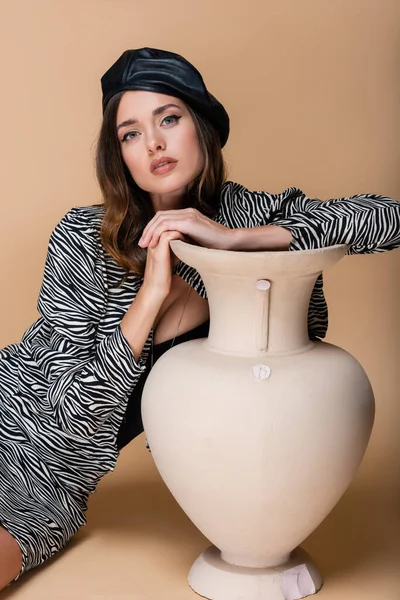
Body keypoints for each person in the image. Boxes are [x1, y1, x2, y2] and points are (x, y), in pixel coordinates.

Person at [0, 46, 399, 589]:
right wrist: (152, 294)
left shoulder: (250, 216)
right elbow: (65, 409)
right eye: (131, 133)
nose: (155, 144)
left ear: (201, 125)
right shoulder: (84, 235)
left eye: (169, 118)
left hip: (43, 483)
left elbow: (386, 218)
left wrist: (237, 242)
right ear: (119, 154)